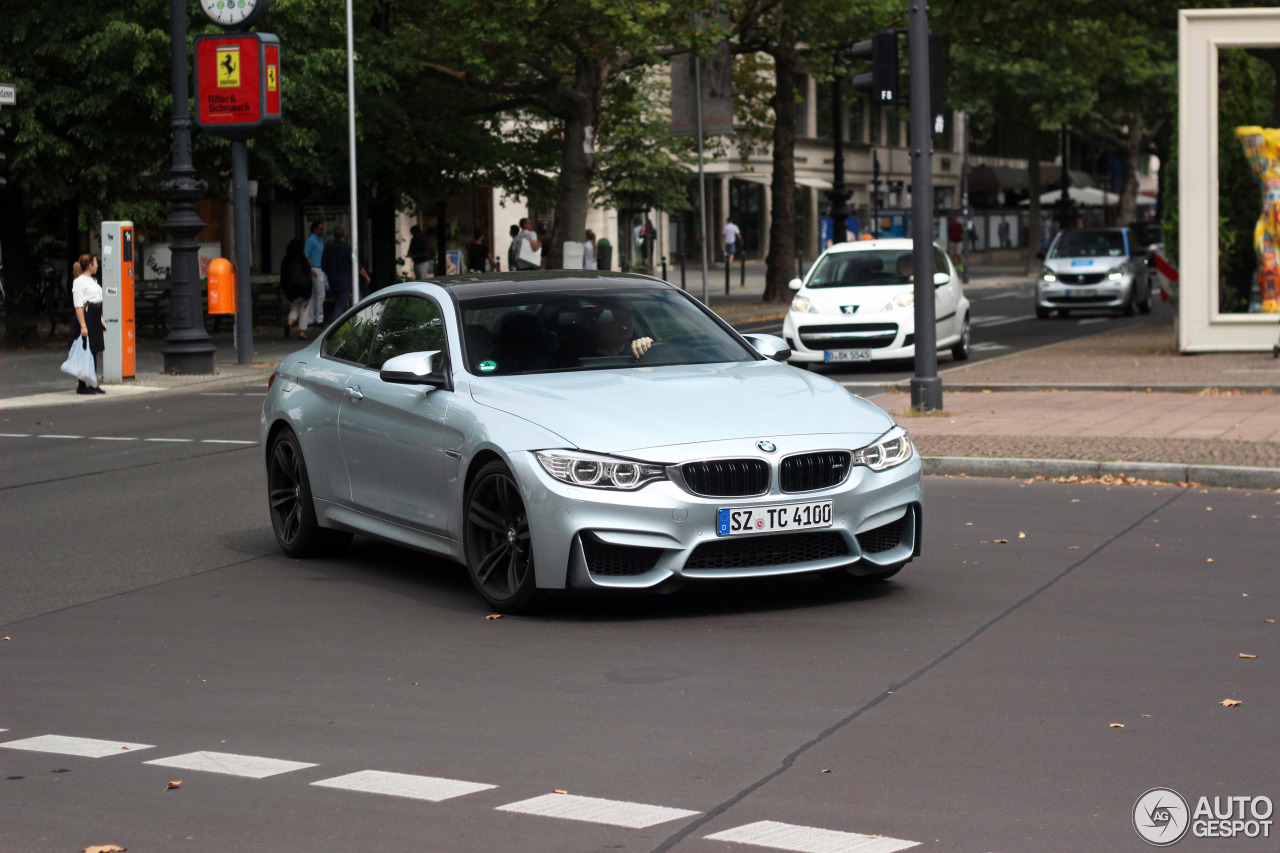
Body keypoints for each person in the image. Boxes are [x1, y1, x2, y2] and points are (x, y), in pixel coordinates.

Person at [70, 253, 106, 394]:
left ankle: (92, 382)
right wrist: (83, 325)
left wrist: (101, 317)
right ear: (90, 265)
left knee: (94, 350)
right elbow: (78, 305)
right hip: (86, 317)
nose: (97, 265)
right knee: (86, 350)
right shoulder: (79, 282)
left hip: (94, 315)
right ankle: (82, 385)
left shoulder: (93, 280)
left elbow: (97, 300)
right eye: (95, 263)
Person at [320, 226, 370, 319]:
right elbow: (357, 265)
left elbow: (324, 267)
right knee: (342, 304)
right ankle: (336, 325)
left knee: (340, 302)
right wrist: (366, 277)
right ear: (344, 235)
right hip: (345, 282)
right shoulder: (347, 248)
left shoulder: (328, 248)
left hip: (333, 282)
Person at [279, 238, 312, 340]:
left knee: (294, 309)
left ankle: (290, 323)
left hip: (291, 290)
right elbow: (307, 272)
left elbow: (283, 276)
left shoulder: (286, 259)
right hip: (303, 290)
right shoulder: (302, 258)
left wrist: (284, 288)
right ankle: (302, 332)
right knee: (304, 310)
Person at [304, 220, 327, 326]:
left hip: (318, 268)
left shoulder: (319, 240)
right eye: (320, 228)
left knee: (314, 295)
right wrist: (310, 269)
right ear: (315, 229)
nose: (322, 230)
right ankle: (319, 318)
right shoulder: (311, 240)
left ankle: (312, 318)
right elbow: (306, 255)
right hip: (315, 268)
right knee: (321, 294)